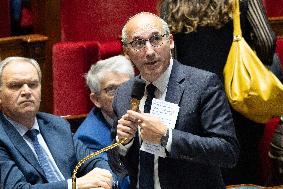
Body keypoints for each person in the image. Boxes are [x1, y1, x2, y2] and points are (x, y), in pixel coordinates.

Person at [158, 0, 283, 184]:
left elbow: (169, 55)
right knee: (245, 164)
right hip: (238, 96)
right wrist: (253, 67)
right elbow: (265, 40)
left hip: (195, 98)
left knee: (205, 166)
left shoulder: (170, 4)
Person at [113, 12, 239, 189]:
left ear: (170, 41)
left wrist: (167, 137)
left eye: (156, 39)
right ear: (126, 52)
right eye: (138, 43)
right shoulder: (123, 94)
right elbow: (118, 165)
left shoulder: (203, 85)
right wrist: (124, 144)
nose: (149, 51)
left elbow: (227, 152)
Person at [0, 57, 114, 189]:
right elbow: (16, 188)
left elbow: (94, 161)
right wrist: (75, 185)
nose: (27, 92)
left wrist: (102, 179)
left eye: (33, 85)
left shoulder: (56, 125)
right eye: (15, 85)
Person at [74, 55, 135, 188]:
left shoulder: (144, 112)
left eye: (127, 86)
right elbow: (117, 182)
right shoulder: (87, 138)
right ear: (96, 100)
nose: (122, 94)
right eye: (112, 89)